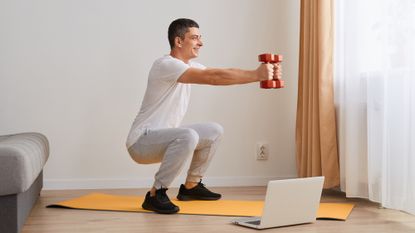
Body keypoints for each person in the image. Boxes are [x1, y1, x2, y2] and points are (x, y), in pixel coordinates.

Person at [126, 18, 281, 214]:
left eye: (200, 38)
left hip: (163, 138)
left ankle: (191, 186)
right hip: (141, 142)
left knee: (214, 131)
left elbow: (221, 73)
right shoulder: (165, 65)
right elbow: (213, 78)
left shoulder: (190, 66)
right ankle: (156, 194)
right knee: (188, 135)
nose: (201, 43)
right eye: (195, 38)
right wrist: (257, 75)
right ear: (178, 41)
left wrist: (259, 74)